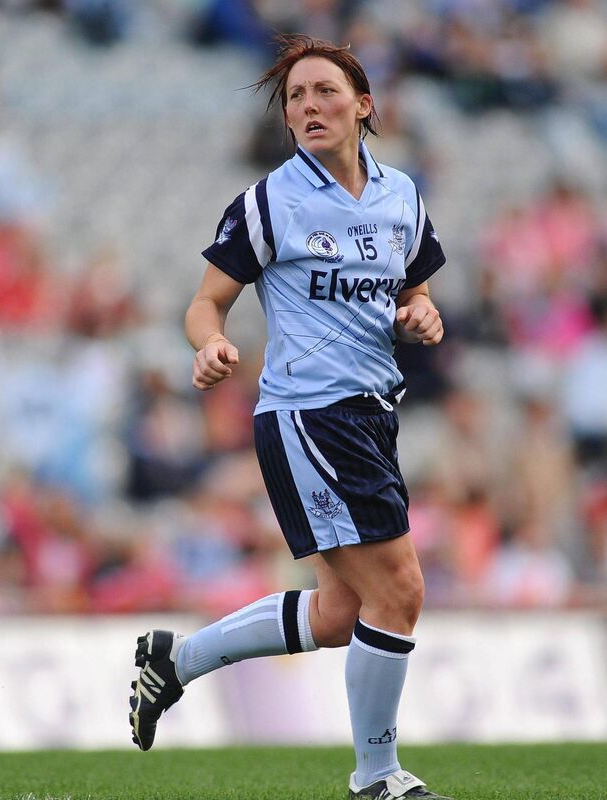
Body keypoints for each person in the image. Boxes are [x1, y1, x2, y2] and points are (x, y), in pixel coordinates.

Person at [127, 35, 451, 800]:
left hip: (372, 415)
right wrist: (209, 345)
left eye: (324, 92)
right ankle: (377, 778)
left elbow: (416, 289)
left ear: (364, 106)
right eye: (296, 97)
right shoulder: (272, 201)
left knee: (345, 611)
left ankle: (175, 660)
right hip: (310, 415)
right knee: (400, 592)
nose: (308, 106)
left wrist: (422, 311)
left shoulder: (401, 194)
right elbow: (206, 302)